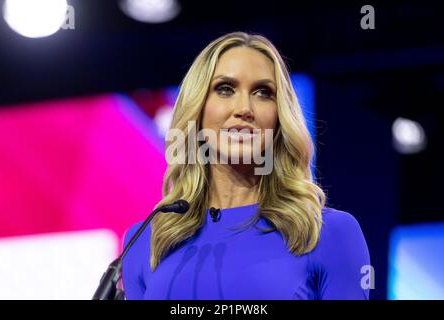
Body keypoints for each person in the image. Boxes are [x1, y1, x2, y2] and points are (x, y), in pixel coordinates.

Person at [121, 32, 371, 300]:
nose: (244, 108)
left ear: (279, 118)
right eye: (225, 89)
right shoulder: (145, 242)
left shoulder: (329, 234)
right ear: (198, 107)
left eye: (263, 92)